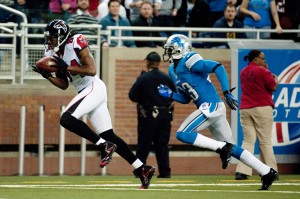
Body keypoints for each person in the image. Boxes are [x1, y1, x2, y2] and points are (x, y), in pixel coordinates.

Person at [31, 19, 155, 189]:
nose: (49, 40)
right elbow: (64, 85)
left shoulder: (76, 41)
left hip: (93, 86)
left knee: (66, 119)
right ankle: (142, 169)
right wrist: (48, 76)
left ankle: (103, 145)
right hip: (85, 91)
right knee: (109, 135)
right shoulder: (54, 53)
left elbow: (91, 70)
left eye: (52, 37)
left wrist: (66, 67)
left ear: (61, 35)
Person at [157, 34, 278, 190]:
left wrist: (227, 92)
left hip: (211, 105)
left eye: (171, 49)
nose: (168, 52)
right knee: (233, 149)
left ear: (181, 49)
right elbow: (186, 98)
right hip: (210, 108)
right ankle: (267, 171)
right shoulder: (172, 69)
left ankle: (222, 148)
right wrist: (171, 95)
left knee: (182, 134)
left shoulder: (189, 59)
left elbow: (217, 67)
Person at [129, 52, 176, 178]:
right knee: (162, 144)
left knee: (144, 144)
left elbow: (132, 96)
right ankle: (165, 172)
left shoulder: (143, 78)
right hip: (165, 114)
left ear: (148, 62)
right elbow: (174, 95)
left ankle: (140, 171)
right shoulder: (166, 78)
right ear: (159, 63)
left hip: (148, 115)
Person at [235, 50, 278, 180]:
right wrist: (273, 76)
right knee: (265, 141)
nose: (264, 61)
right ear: (255, 59)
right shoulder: (263, 71)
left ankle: (241, 171)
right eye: (262, 58)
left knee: (248, 141)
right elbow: (273, 86)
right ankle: (270, 171)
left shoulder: (243, 72)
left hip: (245, 108)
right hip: (262, 107)